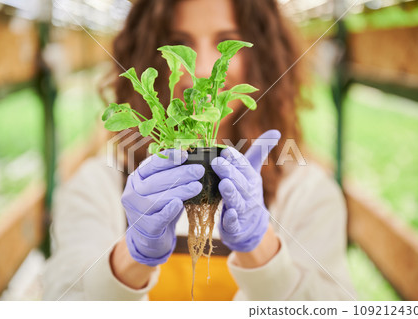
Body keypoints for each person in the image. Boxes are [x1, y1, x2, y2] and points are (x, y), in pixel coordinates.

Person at [43, 0, 356, 301]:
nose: (204, 69)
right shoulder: (99, 186)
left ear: (261, 57)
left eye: (227, 42)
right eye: (179, 42)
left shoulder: (306, 192)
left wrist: (261, 250)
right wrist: (130, 259)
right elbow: (62, 297)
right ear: (148, 57)